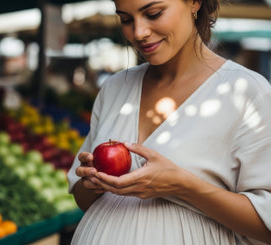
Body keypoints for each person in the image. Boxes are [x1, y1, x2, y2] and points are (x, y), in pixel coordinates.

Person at [67, 0, 271, 244]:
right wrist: (93, 183)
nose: (139, 33)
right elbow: (84, 201)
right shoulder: (114, 87)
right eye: (126, 20)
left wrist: (181, 186)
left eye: (154, 13)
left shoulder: (246, 92)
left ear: (194, 3)